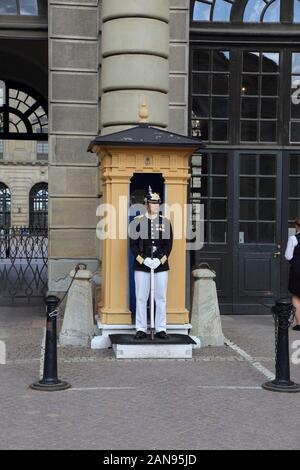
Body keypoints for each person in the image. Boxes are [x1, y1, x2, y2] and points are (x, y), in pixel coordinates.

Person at [129, 186, 173, 340]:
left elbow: (168, 245)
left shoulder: (165, 222)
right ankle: (141, 329)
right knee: (141, 297)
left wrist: (159, 260)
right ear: (146, 204)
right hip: (142, 265)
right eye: (153, 203)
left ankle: (161, 328)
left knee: (161, 298)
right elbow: (133, 245)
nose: (155, 206)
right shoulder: (137, 222)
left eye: (157, 203)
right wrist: (144, 259)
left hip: (160, 266)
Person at [284, 217, 300, 331]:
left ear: (296, 226)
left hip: (297, 269)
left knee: (296, 295)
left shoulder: (293, 238)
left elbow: (288, 256)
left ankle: (299, 323)